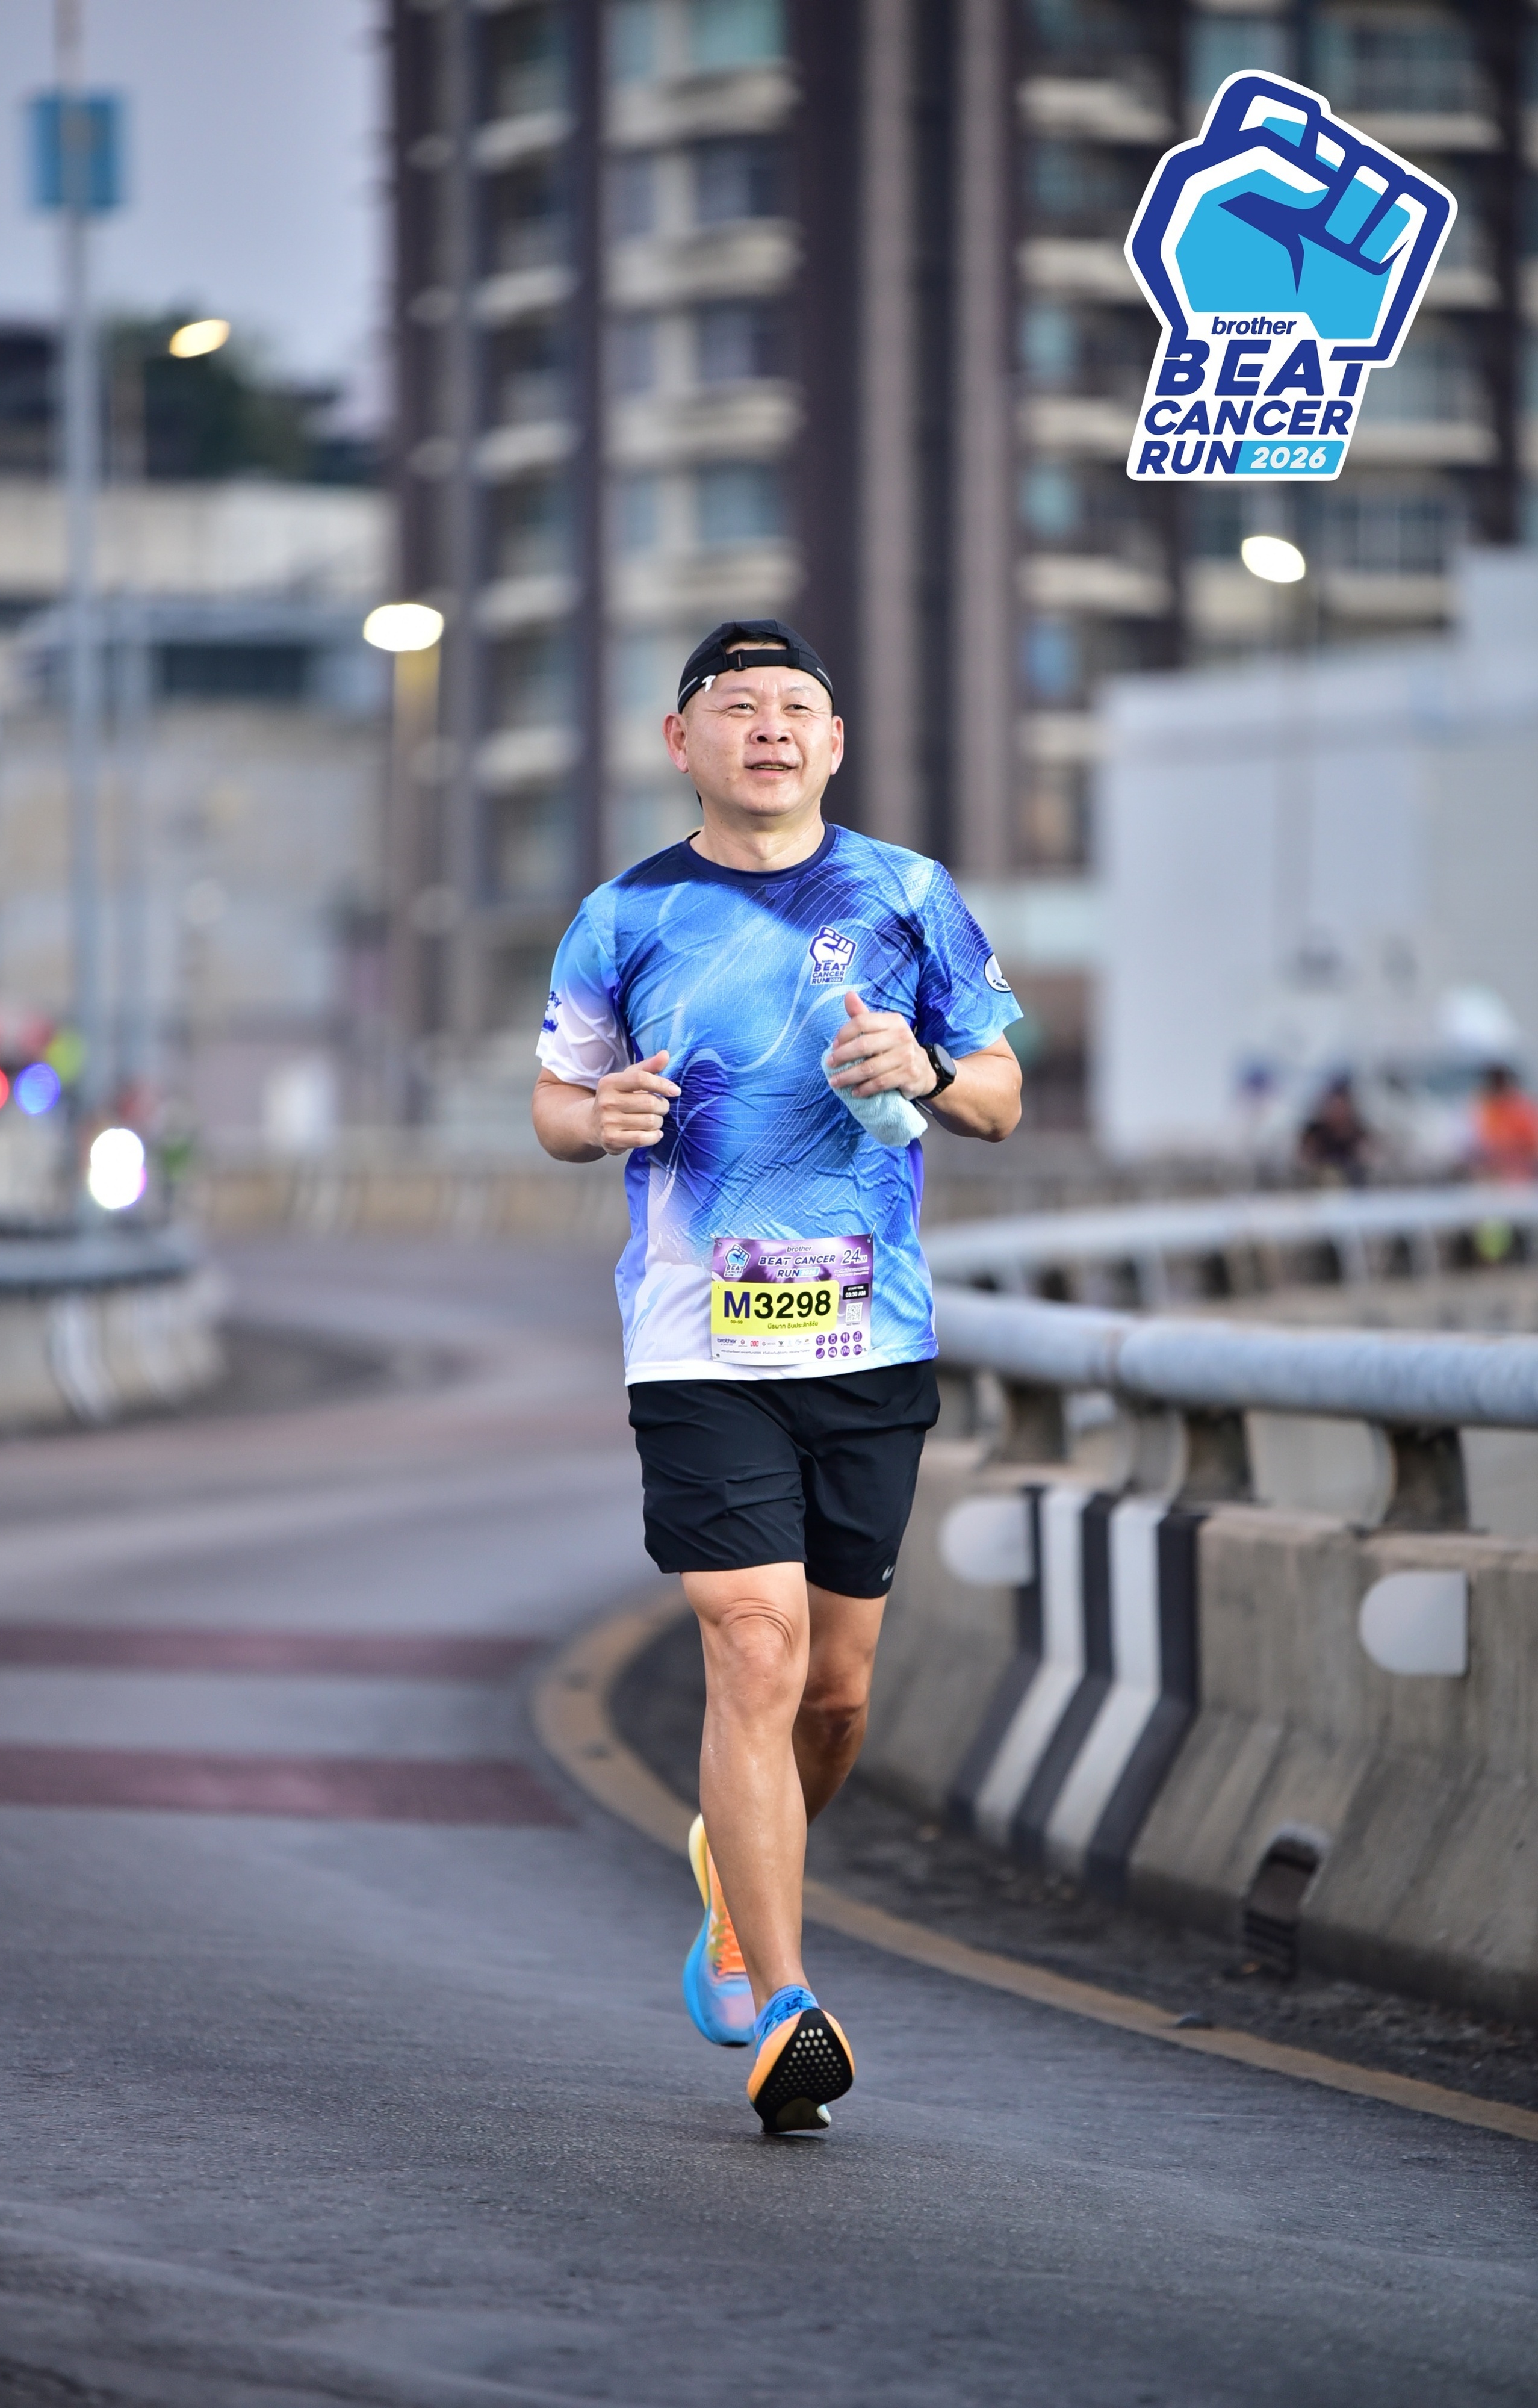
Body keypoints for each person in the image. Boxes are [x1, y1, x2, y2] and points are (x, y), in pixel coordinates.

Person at [532, 618, 1023, 2133]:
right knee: (752, 1644)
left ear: (832, 741)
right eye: (734, 705)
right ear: (678, 740)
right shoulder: (626, 912)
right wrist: (597, 1116)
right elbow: (553, 1099)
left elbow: (1000, 1093)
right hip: (697, 1341)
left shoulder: (907, 895)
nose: (767, 727)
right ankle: (784, 1997)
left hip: (870, 1339)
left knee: (834, 1693)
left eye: (795, 705)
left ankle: (732, 1885)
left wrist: (925, 1071)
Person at [1297, 1072, 1373, 1187]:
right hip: (1317, 1187)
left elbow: (1370, 1160)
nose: (1338, 1112)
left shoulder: (1358, 1132)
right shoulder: (1315, 1133)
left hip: (1354, 1188)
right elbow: (1303, 1161)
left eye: (1341, 1107)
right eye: (1334, 1107)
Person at [1469, 1063, 1538, 1185]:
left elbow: (1530, 1142)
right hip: (1493, 1171)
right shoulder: (1484, 1106)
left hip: (1521, 1170)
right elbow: (1479, 1141)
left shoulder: (1519, 1106)